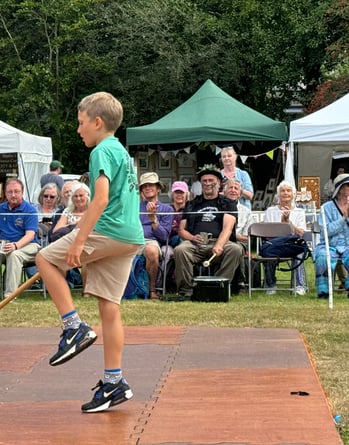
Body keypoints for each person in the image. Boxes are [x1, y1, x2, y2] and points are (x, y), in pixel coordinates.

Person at [35, 92, 143, 413]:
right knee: (109, 308)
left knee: (44, 259)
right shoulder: (121, 152)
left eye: (81, 123)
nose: (78, 130)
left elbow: (100, 199)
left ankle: (73, 327)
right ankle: (113, 382)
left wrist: (80, 240)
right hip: (130, 236)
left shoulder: (101, 151)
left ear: (97, 123)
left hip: (109, 231)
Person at [173, 164, 242, 299]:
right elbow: (181, 230)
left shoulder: (228, 203)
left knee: (235, 249)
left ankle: (217, 288)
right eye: (204, 181)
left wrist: (220, 245)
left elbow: (228, 228)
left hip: (218, 241)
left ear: (219, 183)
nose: (207, 184)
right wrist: (192, 237)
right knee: (180, 250)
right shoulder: (192, 204)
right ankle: (186, 292)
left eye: (211, 181)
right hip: (195, 244)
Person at [0, 178, 40, 302]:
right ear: (5, 193)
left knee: (15, 255)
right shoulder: (0, 209)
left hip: (28, 245)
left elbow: (30, 235)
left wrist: (16, 245)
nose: (13, 195)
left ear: (22, 192)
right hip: (5, 244)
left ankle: (9, 296)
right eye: (10, 192)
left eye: (16, 191)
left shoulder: (30, 210)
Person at [263, 180, 307, 295]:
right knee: (268, 252)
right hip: (275, 244)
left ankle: (299, 285)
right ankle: (271, 285)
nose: (285, 193)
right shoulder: (270, 211)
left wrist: (288, 222)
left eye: (288, 191)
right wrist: (281, 228)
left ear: (293, 194)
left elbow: (301, 233)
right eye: (282, 191)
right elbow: (266, 233)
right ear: (278, 194)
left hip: (292, 244)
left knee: (300, 252)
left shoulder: (299, 212)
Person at [137, 172, 174, 300]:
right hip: (132, 240)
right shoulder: (134, 208)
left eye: (151, 185)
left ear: (158, 188)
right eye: (144, 186)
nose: (147, 188)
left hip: (151, 241)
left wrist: (153, 219)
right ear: (141, 190)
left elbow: (164, 237)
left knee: (152, 251)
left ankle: (151, 290)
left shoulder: (167, 209)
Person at [314, 173, 349, 299]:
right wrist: (344, 218)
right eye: (348, 185)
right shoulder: (326, 208)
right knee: (322, 256)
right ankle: (324, 292)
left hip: (348, 245)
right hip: (329, 244)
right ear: (340, 188)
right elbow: (326, 231)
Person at [50, 182, 91, 288]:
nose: (78, 199)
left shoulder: (92, 211)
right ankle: (61, 289)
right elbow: (56, 231)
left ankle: (86, 290)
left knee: (87, 258)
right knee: (61, 256)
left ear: (87, 196)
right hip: (68, 245)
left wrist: (69, 225)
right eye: (75, 196)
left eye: (81, 195)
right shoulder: (68, 211)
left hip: (88, 244)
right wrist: (74, 224)